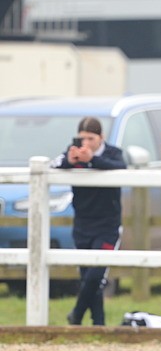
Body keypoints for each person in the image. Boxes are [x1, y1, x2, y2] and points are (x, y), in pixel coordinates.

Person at [52, 116, 127, 326]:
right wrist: (70, 161)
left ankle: (76, 315)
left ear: (101, 137)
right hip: (82, 224)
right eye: (82, 138)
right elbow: (53, 164)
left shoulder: (113, 153)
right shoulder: (73, 150)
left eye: (91, 139)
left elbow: (121, 167)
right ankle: (98, 323)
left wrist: (92, 159)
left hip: (107, 226)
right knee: (87, 277)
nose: (85, 143)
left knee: (96, 276)